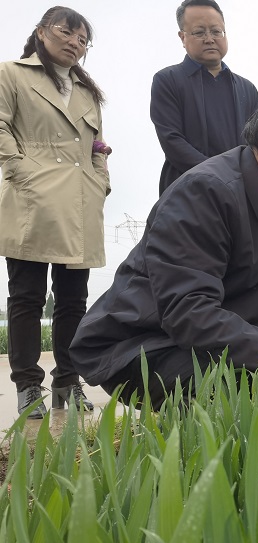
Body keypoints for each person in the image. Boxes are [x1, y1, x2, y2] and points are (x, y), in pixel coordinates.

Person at [70, 90, 258, 408]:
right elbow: (188, 310)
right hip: (148, 341)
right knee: (244, 385)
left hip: (235, 326)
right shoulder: (205, 193)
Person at [0, 6, 110, 418]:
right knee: (27, 296)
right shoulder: (12, 73)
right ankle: (28, 385)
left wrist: (101, 181)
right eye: (66, 32)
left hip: (80, 201)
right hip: (31, 198)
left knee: (73, 300)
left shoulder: (87, 91)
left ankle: (68, 380)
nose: (74, 43)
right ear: (42, 31)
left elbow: (98, 145)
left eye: (83, 40)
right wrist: (21, 172)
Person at [151, 0, 258, 194]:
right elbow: (172, 141)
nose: (209, 39)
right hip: (186, 191)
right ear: (182, 37)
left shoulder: (247, 88)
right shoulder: (168, 80)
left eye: (216, 31)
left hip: (239, 192)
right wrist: (219, 173)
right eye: (199, 32)